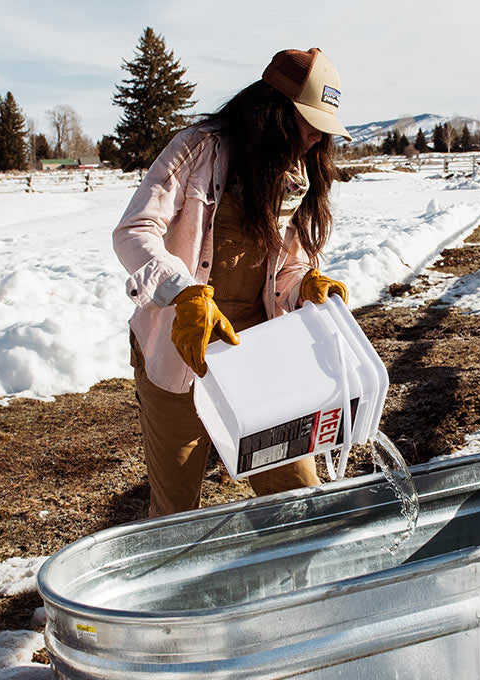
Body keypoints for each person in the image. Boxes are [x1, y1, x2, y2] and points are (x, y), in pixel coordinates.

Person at [113, 48, 352, 517]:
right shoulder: (197, 149)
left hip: (255, 360)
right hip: (179, 355)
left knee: (299, 497)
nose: (312, 137)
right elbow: (134, 231)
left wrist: (305, 285)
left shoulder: (297, 176)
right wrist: (184, 294)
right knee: (176, 513)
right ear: (270, 111)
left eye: (321, 128)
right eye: (306, 122)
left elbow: (286, 269)